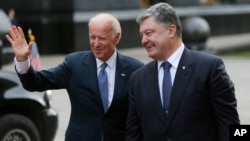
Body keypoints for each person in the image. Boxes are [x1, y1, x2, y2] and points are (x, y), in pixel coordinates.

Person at [6, 13, 144, 141]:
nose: (96, 44)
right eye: (92, 37)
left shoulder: (135, 69)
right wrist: (23, 60)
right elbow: (36, 82)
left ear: (117, 37)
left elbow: (143, 113)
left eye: (102, 38)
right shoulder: (74, 64)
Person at [125, 2, 240, 141]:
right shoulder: (138, 79)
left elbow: (231, 125)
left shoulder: (209, 68)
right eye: (141, 35)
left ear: (171, 31)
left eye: (148, 33)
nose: (144, 40)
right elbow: (133, 134)